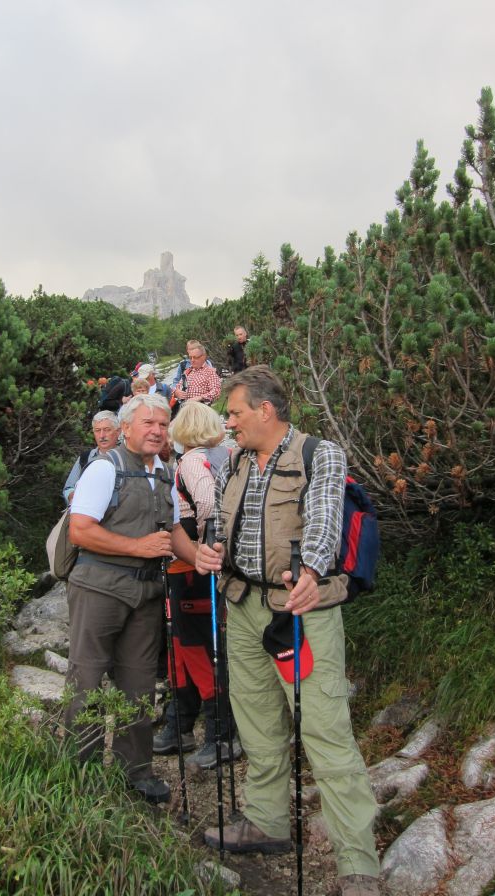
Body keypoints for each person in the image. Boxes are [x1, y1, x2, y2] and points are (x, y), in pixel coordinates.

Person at [195, 366, 380, 896]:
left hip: (301, 615)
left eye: (234, 413)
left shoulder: (318, 454)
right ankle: (267, 822)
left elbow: (323, 521)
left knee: (323, 728)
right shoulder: (235, 460)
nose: (228, 423)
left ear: (265, 410)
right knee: (256, 724)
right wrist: (213, 550)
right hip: (243, 606)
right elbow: (225, 524)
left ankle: (358, 864)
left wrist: (312, 571)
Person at [65, 394, 196, 805]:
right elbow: (81, 530)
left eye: (162, 424)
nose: (157, 430)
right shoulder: (106, 469)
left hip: (147, 593)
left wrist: (202, 559)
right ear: (126, 428)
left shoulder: (164, 472)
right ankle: (77, 770)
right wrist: (138, 548)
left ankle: (134, 770)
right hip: (99, 588)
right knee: (86, 678)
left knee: (139, 683)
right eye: (148, 423)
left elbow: (174, 533)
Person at [153, 402, 241, 767]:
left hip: (191, 569)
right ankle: (181, 722)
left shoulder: (191, 460)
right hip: (206, 568)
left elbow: (207, 505)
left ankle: (221, 732)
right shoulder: (230, 453)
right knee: (186, 646)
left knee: (194, 647)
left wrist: (205, 550)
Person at [62, 412, 120, 505]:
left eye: (107, 430)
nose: (102, 435)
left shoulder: (127, 458)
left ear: (118, 432)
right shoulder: (85, 458)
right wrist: (72, 496)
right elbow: (68, 488)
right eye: (97, 430)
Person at [172, 342, 221, 407]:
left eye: (195, 357)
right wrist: (176, 392)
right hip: (185, 409)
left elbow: (216, 391)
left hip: (201, 409)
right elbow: (177, 386)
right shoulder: (187, 371)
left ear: (203, 357)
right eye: (190, 357)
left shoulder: (210, 372)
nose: (192, 360)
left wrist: (200, 397)